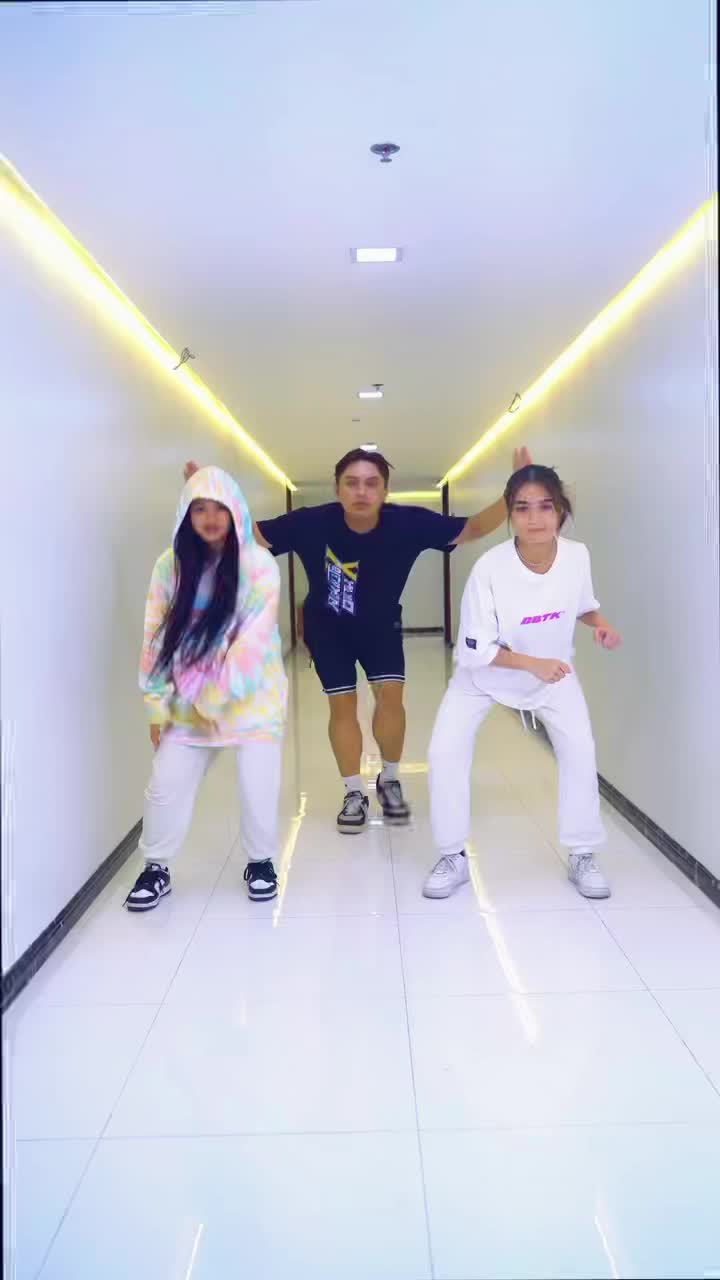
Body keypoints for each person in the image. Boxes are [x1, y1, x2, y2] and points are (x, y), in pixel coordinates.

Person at [184, 445, 530, 835]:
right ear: (337, 489)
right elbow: (249, 535)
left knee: (391, 699)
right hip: (327, 630)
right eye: (351, 483)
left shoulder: (408, 523)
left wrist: (516, 491)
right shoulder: (311, 522)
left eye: (371, 483)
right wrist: (209, 500)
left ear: (385, 490)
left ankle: (390, 778)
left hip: (381, 626)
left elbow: (472, 529)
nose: (361, 491)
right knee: (342, 705)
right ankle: (353, 792)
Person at [423, 463, 621, 901]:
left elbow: (582, 605)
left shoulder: (577, 556)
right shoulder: (489, 569)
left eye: (545, 507)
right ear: (510, 515)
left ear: (561, 511)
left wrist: (601, 625)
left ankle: (583, 852)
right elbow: (477, 649)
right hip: (482, 676)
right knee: (444, 752)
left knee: (580, 750)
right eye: (523, 508)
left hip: (552, 674)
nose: (535, 518)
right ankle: (452, 856)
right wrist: (532, 663)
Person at [125, 466, 287, 911]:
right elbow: (155, 635)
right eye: (200, 509)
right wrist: (158, 705)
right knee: (165, 783)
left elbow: (252, 646)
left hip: (253, 698)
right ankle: (156, 868)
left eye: (220, 508)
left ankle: (260, 862)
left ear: (236, 512)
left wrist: (211, 703)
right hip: (187, 699)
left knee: (258, 785)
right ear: (186, 514)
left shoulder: (259, 565)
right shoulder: (170, 566)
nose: (211, 518)